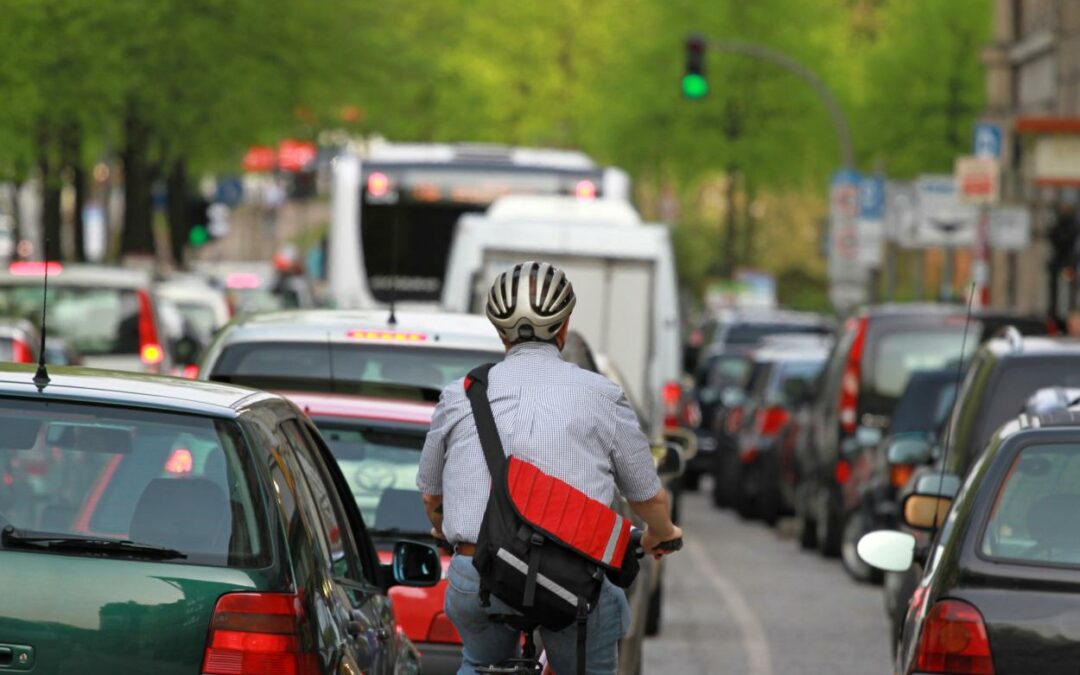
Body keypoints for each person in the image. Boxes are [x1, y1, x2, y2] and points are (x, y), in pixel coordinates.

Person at [417, 261, 682, 675]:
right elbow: (647, 496)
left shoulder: (459, 396)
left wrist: (441, 527)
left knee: (478, 660)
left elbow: (432, 495)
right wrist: (661, 534)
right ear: (564, 327)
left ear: (500, 331)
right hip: (572, 584)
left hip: (478, 573)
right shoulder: (602, 395)